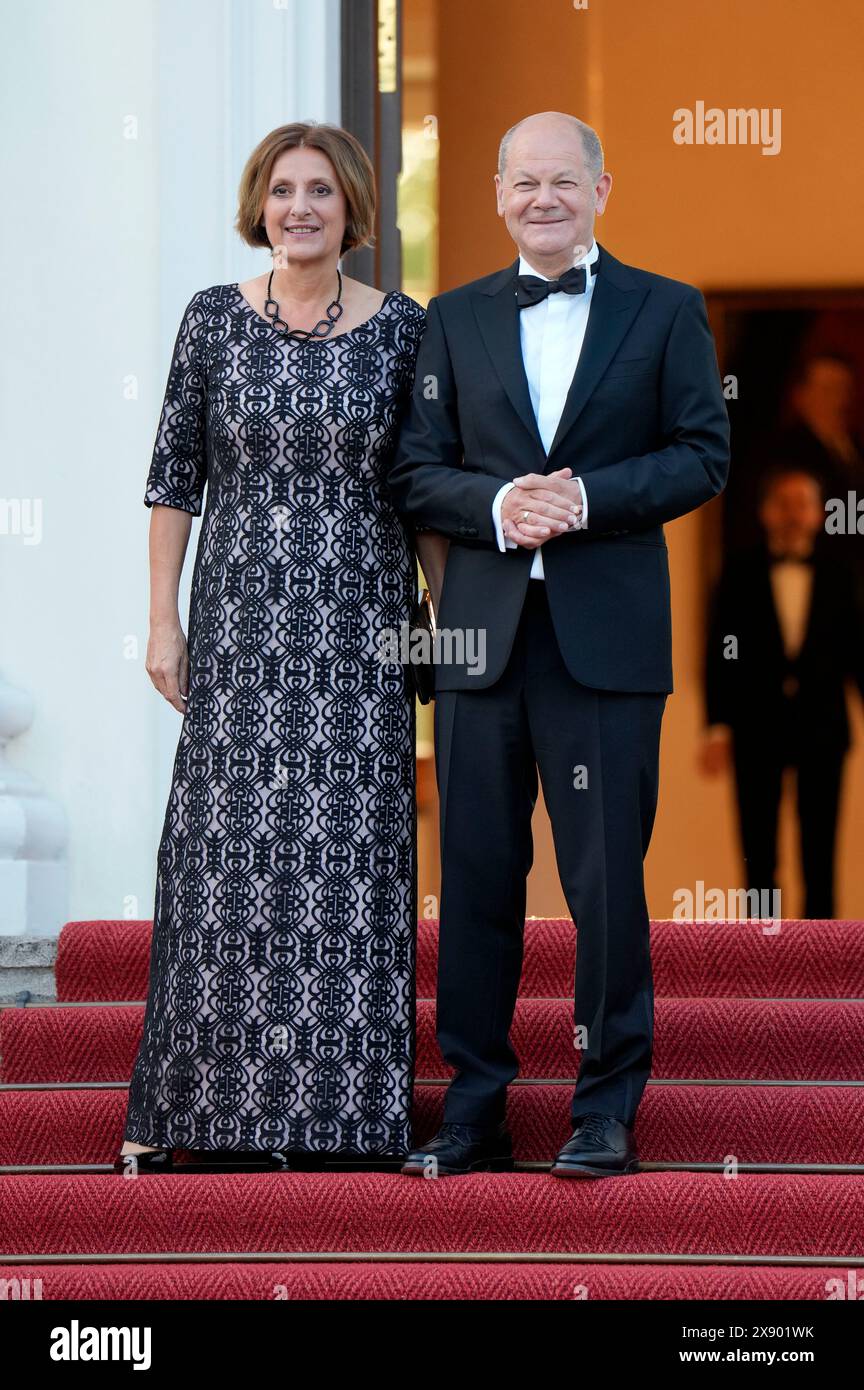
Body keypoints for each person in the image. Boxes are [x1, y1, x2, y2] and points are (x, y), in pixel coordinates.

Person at [387, 111, 730, 1179]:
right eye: (523, 181)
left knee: (605, 885)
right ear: (495, 194)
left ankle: (605, 1106)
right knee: (479, 877)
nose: (543, 198)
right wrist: (499, 505)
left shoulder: (667, 310)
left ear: (600, 188)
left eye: (563, 181)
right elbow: (412, 470)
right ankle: (476, 1103)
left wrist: (583, 497)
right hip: (483, 636)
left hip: (608, 644)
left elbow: (701, 455)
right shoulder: (449, 319)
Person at [116, 121, 442, 1174]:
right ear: (259, 205)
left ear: (352, 209)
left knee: (349, 862)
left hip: (361, 629)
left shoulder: (406, 330)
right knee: (225, 862)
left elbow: (426, 489)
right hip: (241, 630)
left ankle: (345, 1119)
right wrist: (162, 620)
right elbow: (174, 480)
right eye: (283, 191)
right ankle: (203, 1115)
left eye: (321, 192)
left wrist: (450, 621)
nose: (301, 208)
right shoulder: (211, 322)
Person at [701, 466, 864, 919]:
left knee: (820, 853)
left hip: (824, 729)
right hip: (757, 728)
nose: (793, 514)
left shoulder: (840, 573)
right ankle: (760, 959)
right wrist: (717, 725)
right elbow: (717, 654)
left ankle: (824, 971)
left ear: (818, 514)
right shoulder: (739, 572)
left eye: (803, 504)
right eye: (784, 504)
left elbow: (857, 654)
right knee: (758, 851)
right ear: (767, 512)